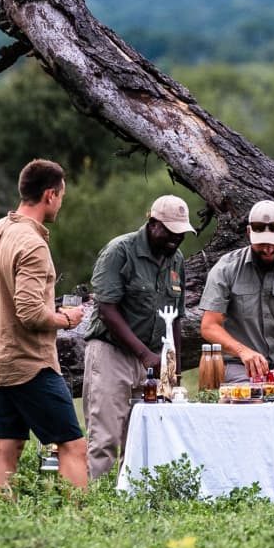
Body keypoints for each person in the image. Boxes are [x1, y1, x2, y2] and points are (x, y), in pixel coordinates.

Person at [0, 159, 88, 494]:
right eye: (61, 195)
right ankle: (84, 523)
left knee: (8, 447)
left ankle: (3, 519)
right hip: (31, 364)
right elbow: (29, 314)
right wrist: (66, 319)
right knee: (73, 447)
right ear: (50, 195)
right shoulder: (32, 244)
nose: (61, 201)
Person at [82, 194, 194, 480]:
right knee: (105, 438)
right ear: (153, 223)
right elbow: (106, 308)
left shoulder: (176, 259)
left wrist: (174, 369)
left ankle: (132, 500)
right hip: (113, 352)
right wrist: (144, 354)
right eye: (170, 231)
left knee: (142, 438)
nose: (176, 238)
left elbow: (176, 317)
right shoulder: (120, 250)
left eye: (181, 233)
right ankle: (96, 501)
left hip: (155, 359)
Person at [198, 200, 274, 383]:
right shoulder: (226, 268)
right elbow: (209, 326)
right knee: (250, 397)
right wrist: (243, 352)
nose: (268, 249)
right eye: (261, 244)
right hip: (238, 364)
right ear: (249, 233)